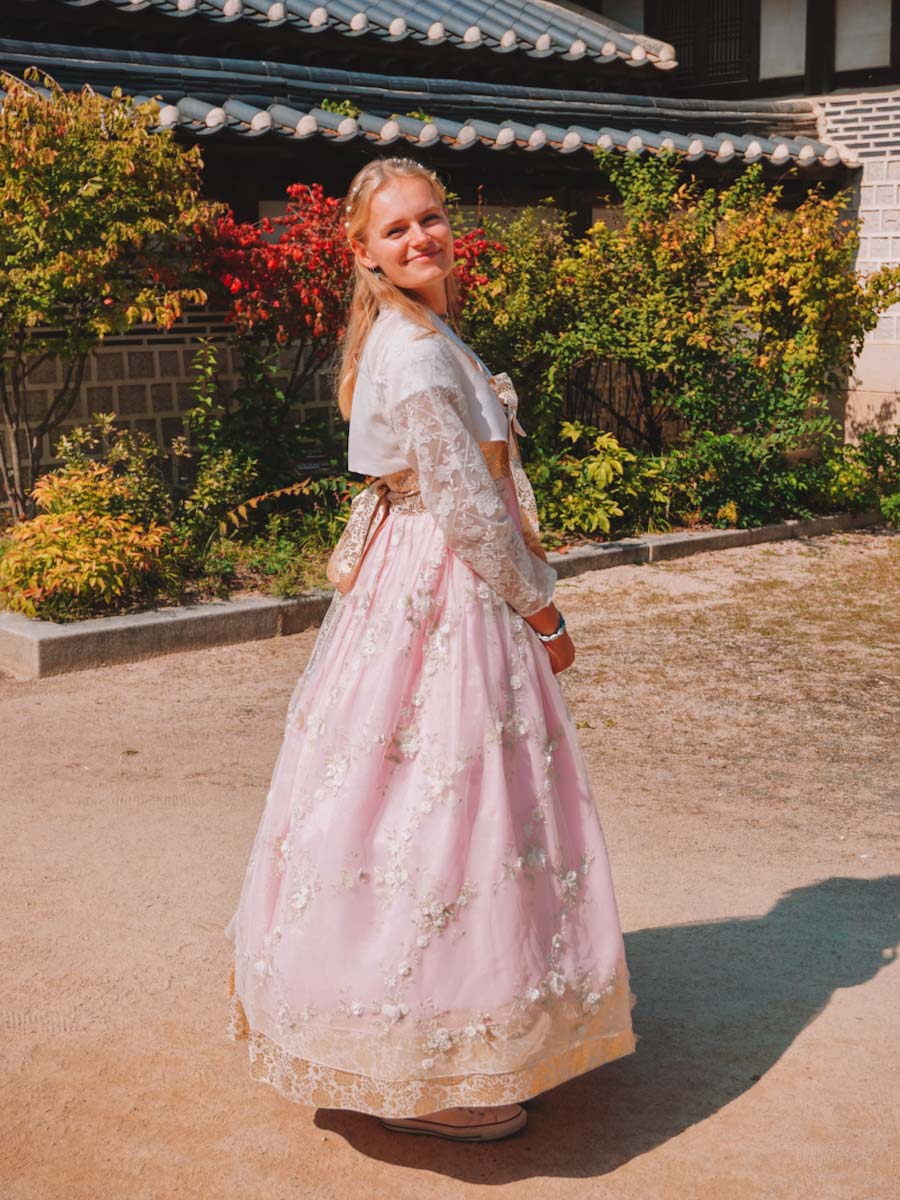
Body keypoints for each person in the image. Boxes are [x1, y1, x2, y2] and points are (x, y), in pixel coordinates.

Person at [224, 157, 636, 1142]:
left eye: (432, 220)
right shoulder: (413, 351)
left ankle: (463, 1032)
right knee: (441, 806)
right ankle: (430, 1070)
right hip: (442, 588)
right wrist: (545, 613)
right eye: (397, 230)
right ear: (362, 250)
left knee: (438, 803)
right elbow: (465, 508)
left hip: (431, 581)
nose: (421, 239)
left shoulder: (426, 332)